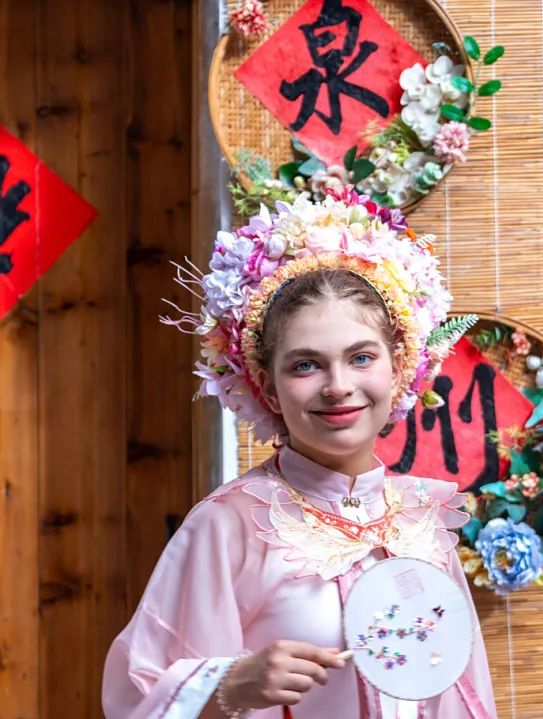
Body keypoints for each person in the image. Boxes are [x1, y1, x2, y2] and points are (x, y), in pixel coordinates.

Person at [102, 192, 497, 718]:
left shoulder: (418, 520)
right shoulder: (229, 525)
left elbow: (463, 692)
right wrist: (228, 685)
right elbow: (135, 695)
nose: (339, 386)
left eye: (361, 358)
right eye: (306, 365)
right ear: (267, 387)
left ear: (398, 368)